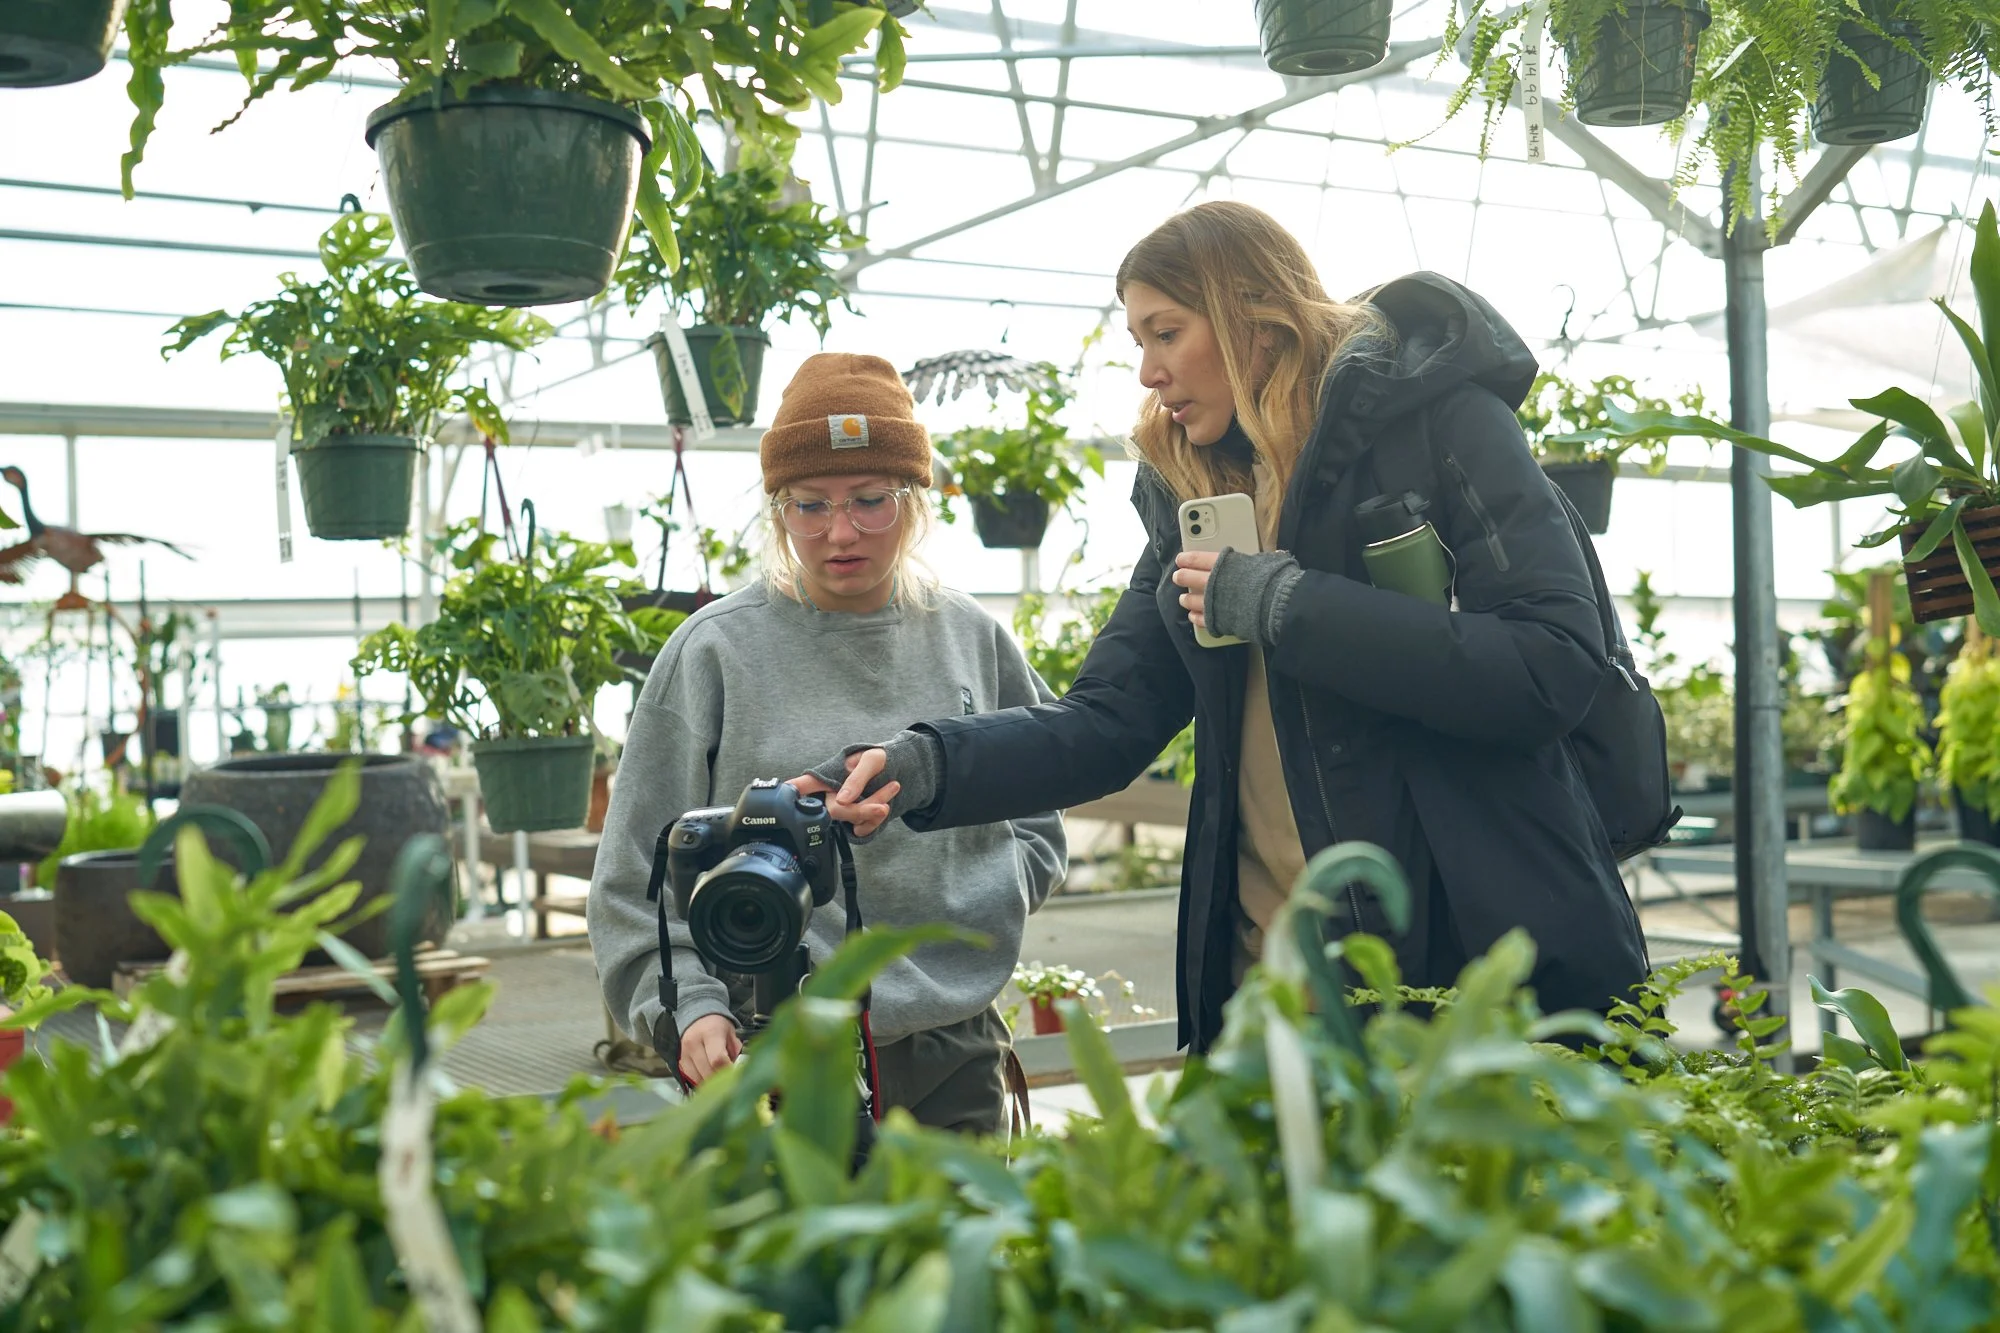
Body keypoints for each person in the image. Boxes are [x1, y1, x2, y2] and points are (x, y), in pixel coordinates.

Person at [797, 201, 1649, 1054]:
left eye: (1165, 332)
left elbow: (1553, 664)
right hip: (1270, 986)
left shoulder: (1437, 425)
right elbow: (1107, 719)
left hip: (1471, 970)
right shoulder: (1194, 497)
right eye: (1138, 341)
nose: (1147, 371)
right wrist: (926, 763)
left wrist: (1289, 607)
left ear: (1255, 316)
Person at [589, 352, 1067, 1134]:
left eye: (871, 500)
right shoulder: (713, 652)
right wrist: (691, 1008)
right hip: (766, 1053)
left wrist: (981, 899)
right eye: (809, 505)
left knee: (960, 1254)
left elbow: (1040, 815)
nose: (840, 531)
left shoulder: (973, 639)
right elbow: (631, 873)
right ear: (777, 509)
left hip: (955, 1049)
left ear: (915, 499)